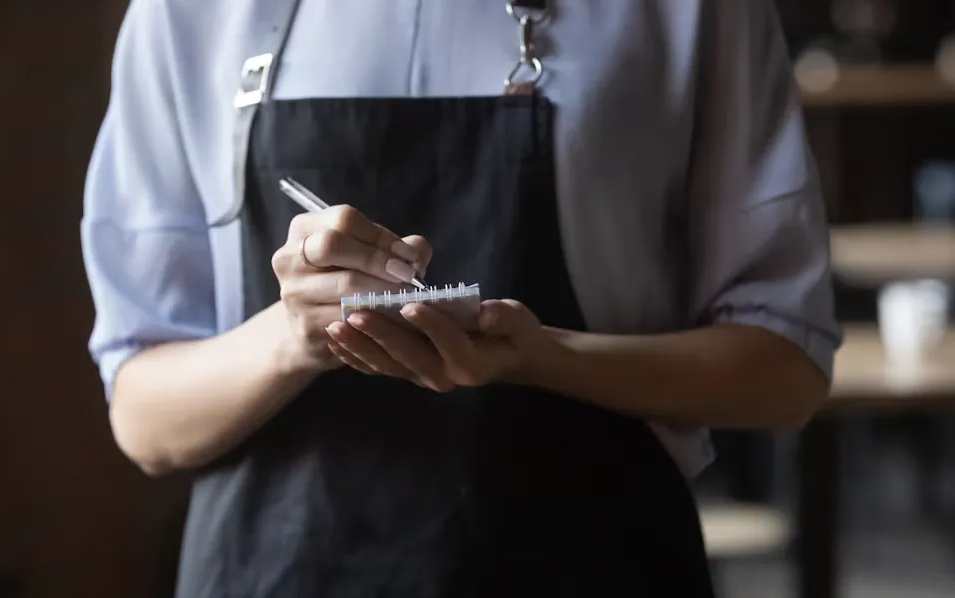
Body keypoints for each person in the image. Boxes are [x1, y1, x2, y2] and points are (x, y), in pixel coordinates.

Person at [81, 1, 841, 596]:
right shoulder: (187, 11)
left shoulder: (687, 9)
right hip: (273, 572)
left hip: (594, 566)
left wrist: (551, 358)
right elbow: (146, 420)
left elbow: (785, 373)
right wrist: (290, 337)